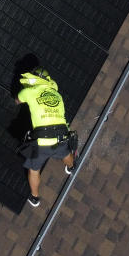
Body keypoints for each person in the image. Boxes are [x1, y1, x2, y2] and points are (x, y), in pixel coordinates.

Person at [15, 67, 76, 207]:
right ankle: (71, 167)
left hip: (42, 142)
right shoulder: (57, 95)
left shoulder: (29, 91)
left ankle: (35, 197)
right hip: (61, 137)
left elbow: (17, 100)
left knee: (34, 169)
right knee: (66, 153)